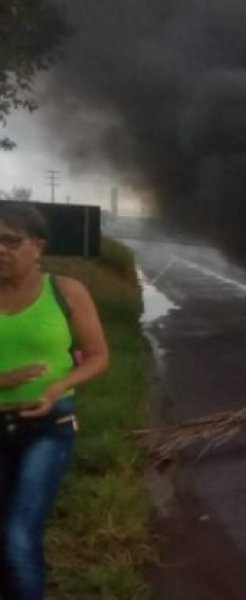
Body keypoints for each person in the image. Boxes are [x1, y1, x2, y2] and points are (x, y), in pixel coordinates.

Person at [0, 204, 108, 600]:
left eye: (11, 241)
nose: (0, 250)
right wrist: (4, 381)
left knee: (18, 536)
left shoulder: (66, 292)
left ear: (38, 246)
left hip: (47, 429)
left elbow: (97, 355)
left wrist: (57, 388)